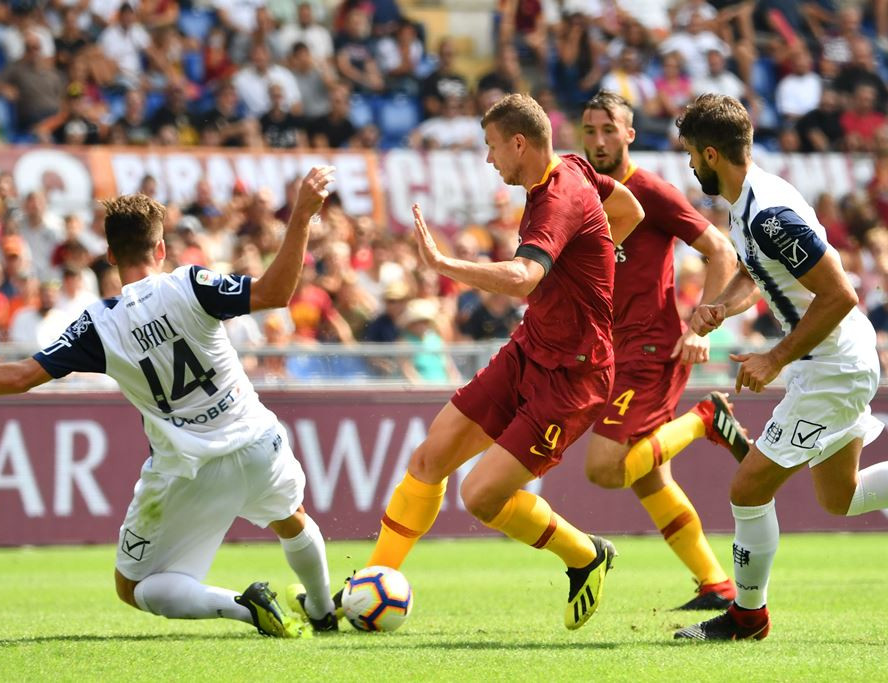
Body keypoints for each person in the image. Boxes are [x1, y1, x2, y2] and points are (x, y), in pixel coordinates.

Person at [0, 167, 341, 638]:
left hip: (189, 467)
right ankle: (323, 610)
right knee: (291, 519)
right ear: (160, 249)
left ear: (109, 255)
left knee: (134, 585)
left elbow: (20, 376)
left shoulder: (98, 325)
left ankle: (248, 608)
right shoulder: (191, 283)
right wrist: (301, 215)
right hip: (259, 441)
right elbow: (276, 293)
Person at [356, 93, 644, 631]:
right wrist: (592, 256)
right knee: (429, 458)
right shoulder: (571, 169)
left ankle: (585, 555)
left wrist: (445, 264)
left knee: (480, 496)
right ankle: (369, 582)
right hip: (529, 348)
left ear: (519, 142)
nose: (490, 160)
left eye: (492, 147)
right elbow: (629, 209)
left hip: (574, 377)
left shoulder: (558, 197)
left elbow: (524, 277)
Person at [672, 94, 888, 641]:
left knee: (747, 489)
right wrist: (723, 305)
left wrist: (775, 357)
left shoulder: (768, 213)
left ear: (712, 153)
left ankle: (748, 618)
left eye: (692, 155)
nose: (690, 166)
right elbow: (755, 273)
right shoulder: (747, 202)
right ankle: (748, 616)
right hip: (829, 360)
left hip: (833, 365)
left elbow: (839, 294)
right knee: (838, 499)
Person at [580, 91, 748, 611]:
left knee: (605, 469)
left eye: (610, 129)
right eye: (590, 131)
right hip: (612, 355)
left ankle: (704, 418)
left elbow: (719, 250)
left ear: (630, 134)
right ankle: (716, 584)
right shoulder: (582, 193)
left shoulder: (649, 190)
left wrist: (704, 323)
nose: (599, 140)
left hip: (651, 350)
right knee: (650, 477)